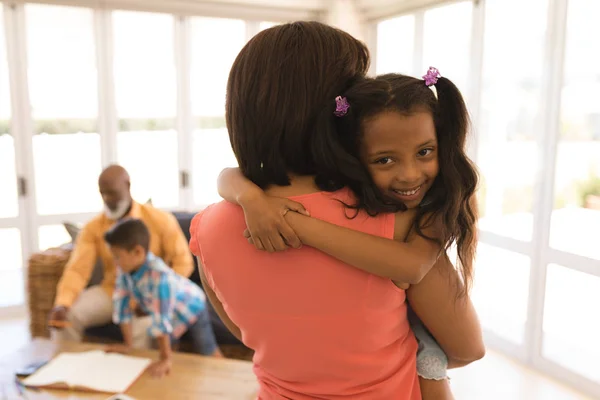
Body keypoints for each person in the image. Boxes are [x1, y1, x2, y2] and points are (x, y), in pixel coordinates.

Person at [190, 21, 480, 399]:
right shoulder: (394, 215)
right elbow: (467, 347)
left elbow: (246, 336)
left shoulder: (207, 229)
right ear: (333, 114)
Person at [48, 165, 194, 348]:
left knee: (142, 331)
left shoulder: (160, 220)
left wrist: (157, 295)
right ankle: (66, 371)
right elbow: (77, 270)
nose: (108, 199)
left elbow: (183, 262)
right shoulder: (94, 227)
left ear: (128, 186)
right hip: (111, 292)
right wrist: (62, 303)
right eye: (103, 194)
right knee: (68, 316)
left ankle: (138, 373)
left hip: (150, 293)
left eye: (113, 193)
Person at [104, 219, 221, 377]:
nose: (115, 262)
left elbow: (161, 319)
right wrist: (128, 344)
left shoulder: (159, 276)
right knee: (170, 349)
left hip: (192, 306)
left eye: (117, 257)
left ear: (137, 252)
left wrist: (165, 359)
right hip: (170, 312)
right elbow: (122, 305)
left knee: (206, 348)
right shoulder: (124, 271)